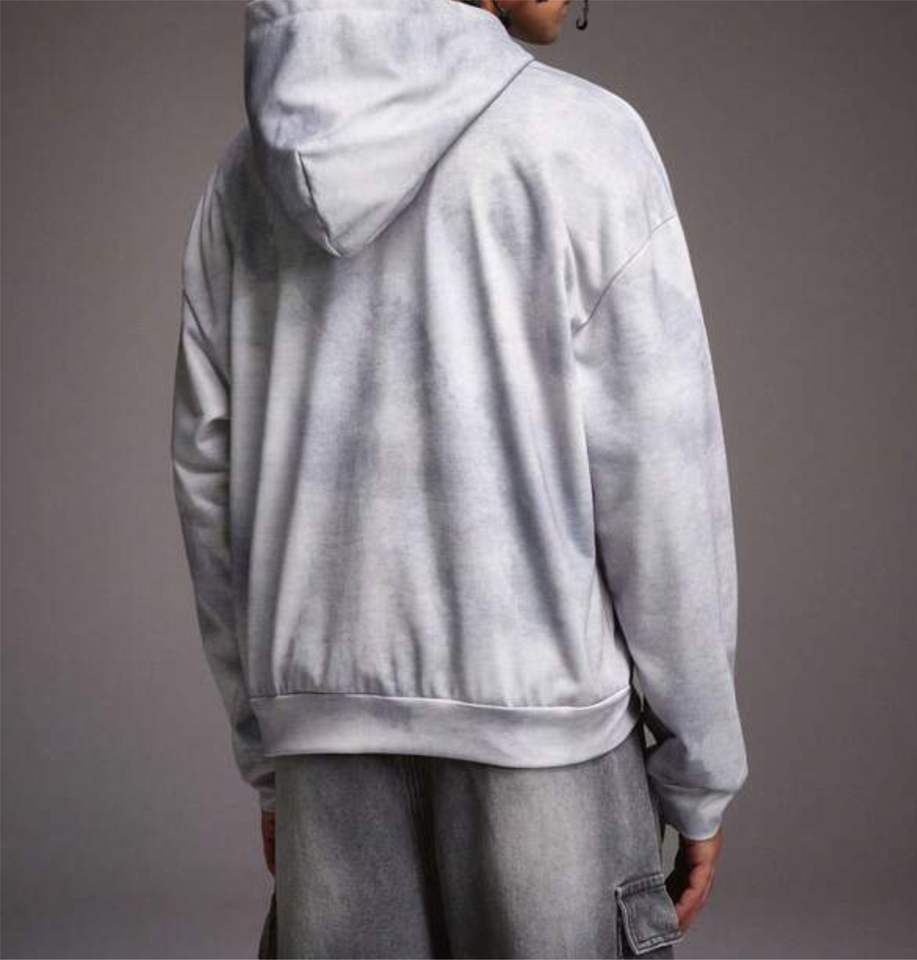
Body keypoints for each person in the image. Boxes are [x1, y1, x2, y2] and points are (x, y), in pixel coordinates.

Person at [170, 0, 748, 956]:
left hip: (324, 752)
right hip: (547, 747)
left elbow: (209, 484)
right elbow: (663, 484)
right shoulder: (586, 142)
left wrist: (270, 752)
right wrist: (699, 770)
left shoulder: (245, 179)